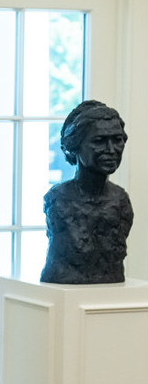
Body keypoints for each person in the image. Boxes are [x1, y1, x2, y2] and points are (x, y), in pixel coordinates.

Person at [40, 100, 133, 284]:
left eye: (117, 140)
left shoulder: (121, 201)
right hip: (65, 290)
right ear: (75, 145)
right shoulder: (58, 200)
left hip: (109, 296)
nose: (111, 150)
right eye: (99, 141)